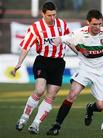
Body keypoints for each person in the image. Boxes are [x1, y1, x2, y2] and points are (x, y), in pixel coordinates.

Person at [11, 1, 71, 134]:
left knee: (51, 95)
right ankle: (24, 118)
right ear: (42, 14)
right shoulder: (36, 27)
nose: (52, 18)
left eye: (54, 15)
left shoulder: (62, 25)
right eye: (49, 15)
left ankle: (36, 124)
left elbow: (69, 39)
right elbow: (26, 46)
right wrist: (19, 63)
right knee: (39, 90)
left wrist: (79, 52)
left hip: (59, 62)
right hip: (42, 61)